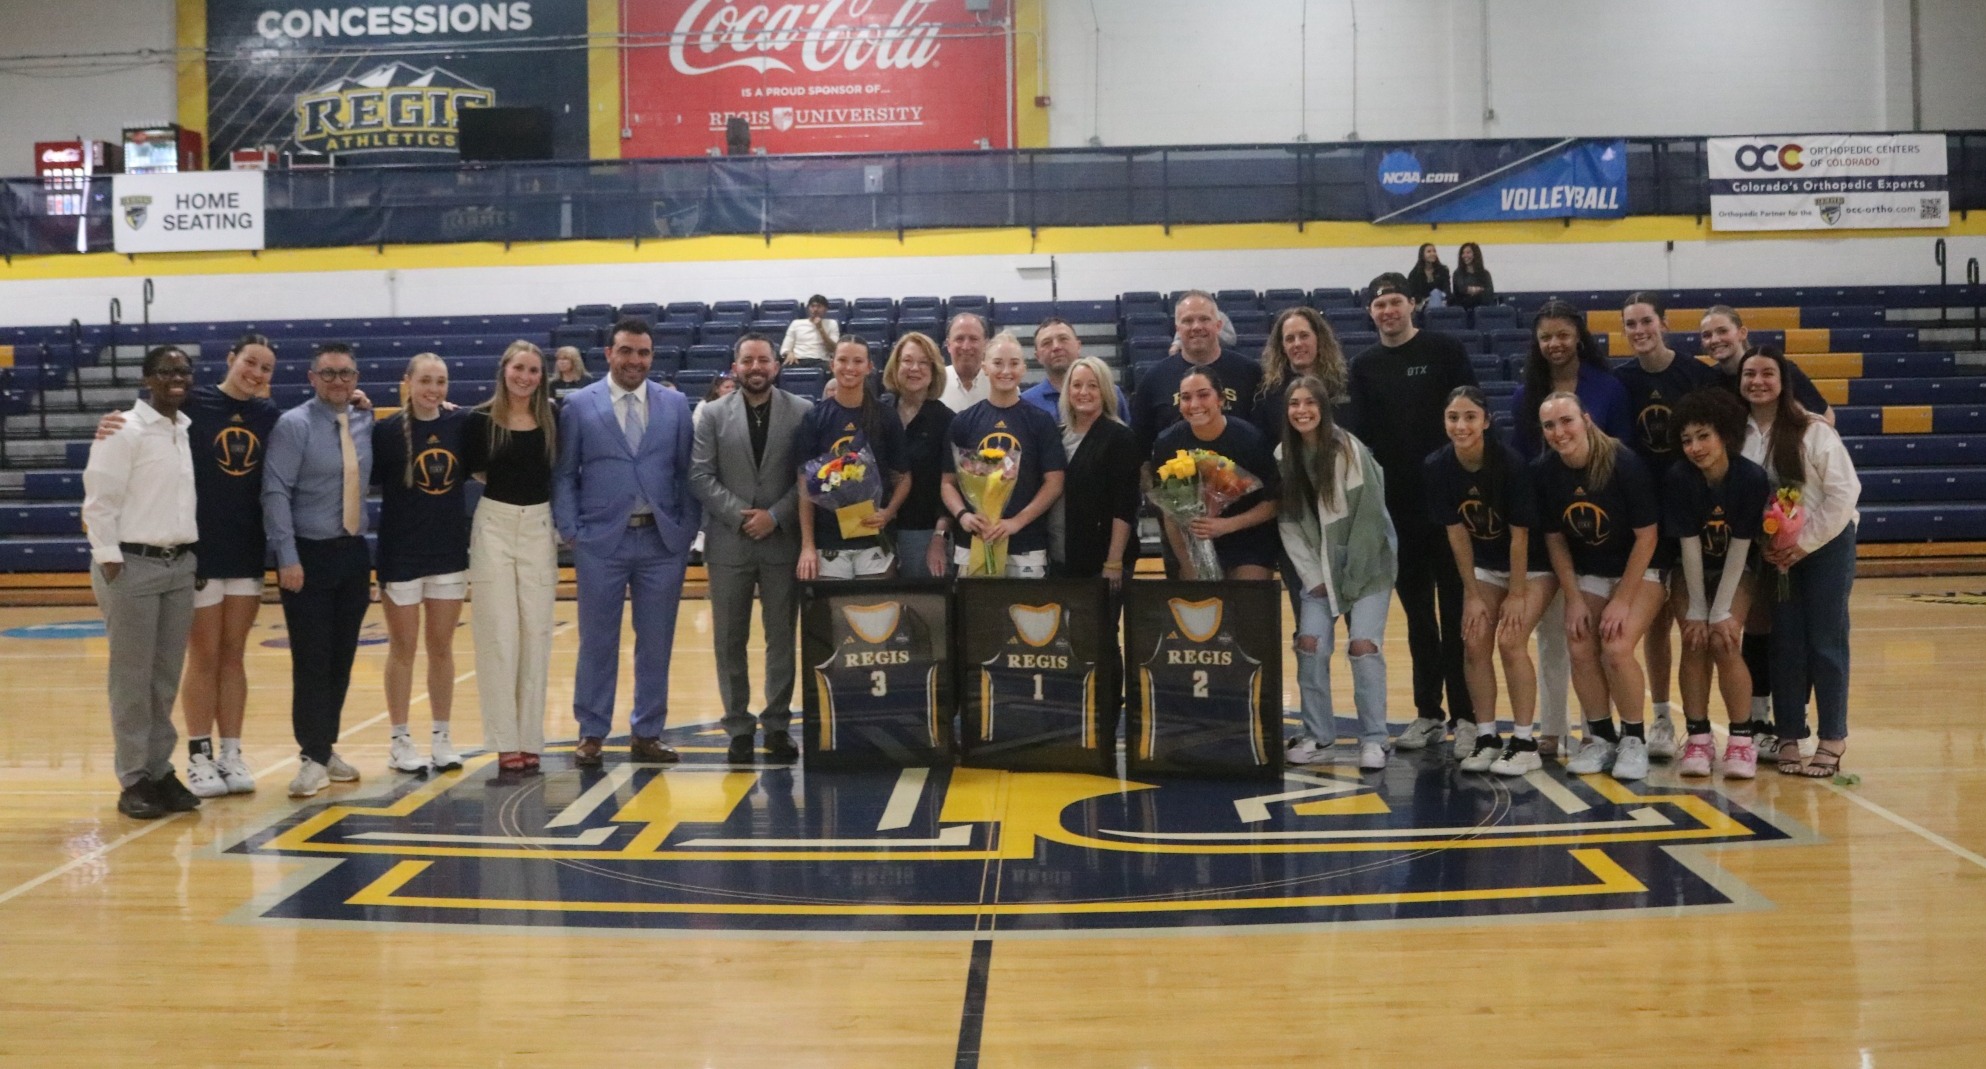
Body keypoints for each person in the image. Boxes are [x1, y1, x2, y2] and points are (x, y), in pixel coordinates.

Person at [554, 317, 702, 768]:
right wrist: (570, 531)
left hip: (661, 542)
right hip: (600, 541)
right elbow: (564, 475)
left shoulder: (675, 404)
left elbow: (685, 474)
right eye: (626, 351)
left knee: (655, 642)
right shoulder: (579, 405)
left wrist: (685, 531)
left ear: (651, 357)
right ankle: (592, 731)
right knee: (597, 641)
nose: (635, 360)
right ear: (609, 354)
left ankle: (648, 732)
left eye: (643, 353)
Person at [1343, 272, 1477, 749]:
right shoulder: (1363, 365)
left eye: (1396, 302)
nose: (1388, 312)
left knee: (1459, 612)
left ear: (1413, 304)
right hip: (1397, 512)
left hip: (1450, 508)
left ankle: (1467, 717)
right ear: (1371, 313)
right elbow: (1358, 441)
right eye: (1380, 306)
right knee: (1419, 618)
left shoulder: (1444, 351)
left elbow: (1471, 416)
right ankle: (1428, 713)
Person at [1509, 300, 1635, 758]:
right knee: (1554, 632)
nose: (1554, 344)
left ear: (1578, 336)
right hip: (1552, 526)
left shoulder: (1610, 388)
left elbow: (1622, 451)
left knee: (1593, 636)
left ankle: (1595, 732)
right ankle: (1552, 727)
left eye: (1562, 334)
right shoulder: (1527, 396)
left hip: (1602, 530)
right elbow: (1525, 465)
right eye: (1546, 337)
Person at [83, 345, 203, 819]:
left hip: (178, 566)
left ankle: (158, 769)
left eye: (183, 371)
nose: (176, 378)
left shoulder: (183, 429)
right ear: (147, 379)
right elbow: (98, 503)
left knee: (164, 678)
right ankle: (133, 777)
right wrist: (111, 562)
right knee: (131, 679)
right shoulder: (123, 431)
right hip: (132, 566)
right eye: (166, 372)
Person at [691, 332, 813, 764]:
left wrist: (775, 516)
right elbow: (700, 476)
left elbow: (809, 476)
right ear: (736, 366)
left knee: (781, 640)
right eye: (748, 361)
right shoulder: (710, 414)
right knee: (729, 640)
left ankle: (777, 726)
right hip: (729, 542)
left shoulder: (802, 412)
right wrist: (744, 515)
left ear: (775, 366)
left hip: (783, 542)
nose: (756, 367)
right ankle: (738, 727)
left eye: (763, 360)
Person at [1740, 347, 1861, 778]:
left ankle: (1833, 737)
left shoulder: (1812, 429)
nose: (1757, 381)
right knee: (1785, 642)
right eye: (1749, 373)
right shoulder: (1739, 434)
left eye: (1767, 373)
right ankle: (1790, 733)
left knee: (1825, 640)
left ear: (1783, 379)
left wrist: (1804, 544)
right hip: (1776, 552)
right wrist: (1767, 543)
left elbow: (1845, 494)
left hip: (1825, 545)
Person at [1534, 392, 1665, 782]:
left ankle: (1634, 740)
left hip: (1643, 570)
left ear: (1586, 419)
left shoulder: (1623, 463)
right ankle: (1601, 739)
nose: (1560, 432)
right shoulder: (1545, 471)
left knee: (1617, 645)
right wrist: (1572, 598)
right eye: (1550, 425)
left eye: (1567, 421)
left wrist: (1622, 601)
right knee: (1578, 641)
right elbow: (1555, 539)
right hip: (1591, 572)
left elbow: (1647, 537)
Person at [263, 342, 374, 798]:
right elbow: (274, 491)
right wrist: (286, 556)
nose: (337, 381)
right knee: (311, 661)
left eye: (345, 373)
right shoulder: (293, 426)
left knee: (341, 660)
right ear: (312, 378)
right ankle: (309, 757)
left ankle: (325, 747)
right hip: (307, 557)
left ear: (356, 378)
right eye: (328, 374)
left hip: (352, 553)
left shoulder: (364, 419)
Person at [1427, 387, 1554, 775]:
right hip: (1485, 566)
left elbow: (1520, 536)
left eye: (1469, 417)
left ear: (1486, 421)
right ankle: (1486, 736)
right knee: (1474, 639)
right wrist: (1472, 593)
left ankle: (1524, 740)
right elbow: (1457, 535)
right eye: (1453, 417)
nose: (1460, 425)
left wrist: (1516, 594)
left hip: (1531, 566)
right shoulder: (1437, 465)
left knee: (1511, 640)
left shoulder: (1510, 464)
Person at [1616, 292, 1720, 760]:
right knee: (1655, 625)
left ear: (1664, 323)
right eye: (1630, 324)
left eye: (1646, 322)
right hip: (1643, 516)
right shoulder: (1621, 381)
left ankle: (1704, 727)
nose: (1639, 331)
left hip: (1694, 510)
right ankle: (1660, 717)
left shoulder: (1697, 374)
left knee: (1696, 621)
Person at [175, 334, 280, 797]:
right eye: (250, 363)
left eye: (266, 369)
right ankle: (199, 756)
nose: (256, 373)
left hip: (246, 548)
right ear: (231, 359)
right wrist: (113, 424)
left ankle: (231, 753)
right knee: (205, 654)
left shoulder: (269, 416)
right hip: (201, 548)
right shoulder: (191, 404)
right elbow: (143, 425)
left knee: (234, 652)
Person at [1277, 374, 1395, 771]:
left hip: (1367, 568)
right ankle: (1318, 736)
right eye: (1294, 404)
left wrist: (1350, 580)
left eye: (1310, 403)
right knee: (1309, 643)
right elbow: (1290, 525)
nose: (1302, 410)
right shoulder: (1283, 457)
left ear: (1324, 409)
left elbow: (1369, 520)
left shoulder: (1348, 450)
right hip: (1319, 572)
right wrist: (1315, 576)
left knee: (1363, 645)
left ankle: (1375, 739)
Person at [370, 353, 470, 774]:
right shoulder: (386, 432)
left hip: (447, 552)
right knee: (403, 649)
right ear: (407, 382)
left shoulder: (460, 424)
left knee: (442, 648)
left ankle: (443, 736)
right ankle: (399, 739)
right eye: (426, 380)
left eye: (441, 381)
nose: (434, 389)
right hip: (400, 555)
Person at [1664, 387, 1771, 779]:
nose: (1695, 447)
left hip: (1736, 567)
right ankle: (1698, 737)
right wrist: (1696, 609)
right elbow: (1689, 548)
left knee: (1724, 640)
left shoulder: (1750, 478)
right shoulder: (1679, 478)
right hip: (1690, 568)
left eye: (1703, 436)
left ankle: (1742, 741)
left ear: (1724, 434)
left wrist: (1722, 611)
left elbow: (1742, 548)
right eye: (1687, 440)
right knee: (1693, 641)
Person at [463, 340, 559, 772]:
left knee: (536, 635)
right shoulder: (478, 420)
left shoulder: (553, 417)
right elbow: (475, 470)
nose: (526, 377)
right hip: (494, 527)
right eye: (519, 368)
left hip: (539, 526)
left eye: (534, 370)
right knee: (499, 636)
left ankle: (530, 737)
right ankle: (505, 740)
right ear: (504, 370)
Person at [941, 332, 1067, 578]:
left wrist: (1016, 522)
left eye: (1014, 363)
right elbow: (947, 483)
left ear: (1024, 368)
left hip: (1026, 545)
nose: (1006, 371)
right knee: (976, 615)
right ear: (984, 367)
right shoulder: (963, 422)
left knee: (1024, 615)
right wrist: (964, 516)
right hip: (974, 542)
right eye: (998, 363)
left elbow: (1054, 483)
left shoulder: (1040, 422)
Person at [795, 335, 911, 580]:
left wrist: (888, 513)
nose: (850, 368)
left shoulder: (886, 416)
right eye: (843, 360)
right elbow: (805, 486)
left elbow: (904, 477)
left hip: (875, 537)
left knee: (876, 614)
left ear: (869, 367)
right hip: (828, 539)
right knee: (832, 616)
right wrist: (807, 545)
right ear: (832, 364)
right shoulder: (814, 418)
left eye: (858, 361)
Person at [1151, 366, 1280, 581]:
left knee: (1247, 598)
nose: (1194, 404)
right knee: (1203, 606)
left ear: (1220, 399)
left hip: (1248, 541)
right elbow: (1170, 514)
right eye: (1186, 397)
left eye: (1203, 395)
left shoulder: (1250, 439)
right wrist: (1188, 563)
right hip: (1195, 543)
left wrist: (1226, 525)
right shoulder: (1167, 443)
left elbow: (1274, 503)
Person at [1129, 291, 1262, 466]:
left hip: (1244, 485)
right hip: (1176, 489)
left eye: (1204, 319)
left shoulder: (1251, 372)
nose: (1196, 326)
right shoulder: (1154, 379)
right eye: (1187, 320)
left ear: (1219, 325)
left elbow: (1262, 437)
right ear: (1177, 328)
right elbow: (1140, 445)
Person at [1054, 355, 1141, 584]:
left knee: (1100, 621)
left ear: (1105, 391)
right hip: (1061, 556)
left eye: (1093, 385)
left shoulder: (1120, 438)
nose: (1084, 392)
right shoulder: (1056, 434)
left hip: (1101, 559)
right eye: (1077, 385)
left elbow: (1125, 507)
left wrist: (1113, 561)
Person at [880, 331, 954, 579]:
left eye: (923, 363)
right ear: (896, 365)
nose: (915, 368)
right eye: (908, 361)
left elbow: (951, 484)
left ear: (934, 371)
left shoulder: (946, 420)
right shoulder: (878, 411)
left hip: (924, 533)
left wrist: (939, 537)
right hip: (875, 530)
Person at [1701, 306, 1833, 425]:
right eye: (1707, 335)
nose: (1715, 340)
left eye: (1722, 331)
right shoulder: (1709, 380)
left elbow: (1826, 416)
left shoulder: (1781, 369)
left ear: (1742, 333)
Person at [1252, 306, 1348, 443]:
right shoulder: (1268, 392)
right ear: (1282, 346)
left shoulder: (1344, 382)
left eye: (1304, 336)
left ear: (1319, 339)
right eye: (1290, 339)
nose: (1297, 344)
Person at [1020, 317, 1127, 418]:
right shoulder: (1026, 402)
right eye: (1047, 343)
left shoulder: (1110, 393)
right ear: (1038, 356)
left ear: (1078, 346)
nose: (1056, 347)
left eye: (1063, 339)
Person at [939, 311, 992, 411]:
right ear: (948, 345)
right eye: (959, 339)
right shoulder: (934, 382)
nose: (966, 347)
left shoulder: (999, 383)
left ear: (986, 344)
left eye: (973, 339)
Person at [779, 294, 840, 367]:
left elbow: (833, 349)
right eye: (812, 306)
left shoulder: (832, 323)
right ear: (808, 308)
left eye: (819, 306)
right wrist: (789, 353)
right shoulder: (796, 323)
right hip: (798, 359)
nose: (815, 309)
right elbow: (785, 348)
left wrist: (820, 329)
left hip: (820, 360)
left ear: (826, 309)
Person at [1450, 243, 1494, 310]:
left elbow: (1489, 293)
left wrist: (1472, 290)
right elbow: (1461, 290)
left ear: (1475, 254)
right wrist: (1479, 290)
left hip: (1481, 309)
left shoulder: (1485, 274)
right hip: (1463, 309)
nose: (1465, 255)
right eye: (1463, 253)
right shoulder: (1457, 273)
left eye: (1468, 252)